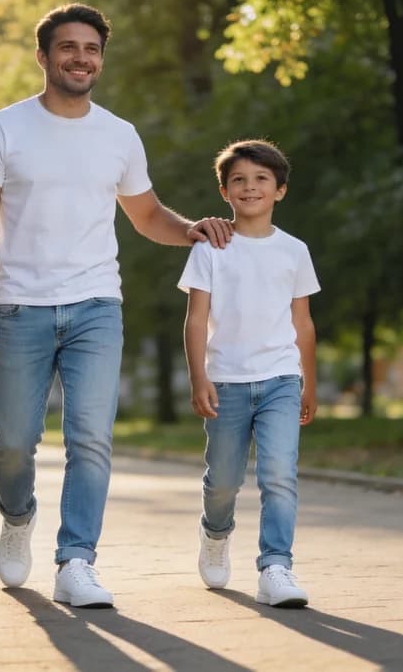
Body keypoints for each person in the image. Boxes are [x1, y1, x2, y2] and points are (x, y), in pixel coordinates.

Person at [0, 3, 232, 609]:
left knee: (90, 440)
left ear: (101, 60)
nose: (81, 58)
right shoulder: (3, 128)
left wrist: (190, 229)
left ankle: (76, 561)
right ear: (43, 56)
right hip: (20, 306)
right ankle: (17, 514)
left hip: (96, 307)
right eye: (68, 47)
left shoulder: (119, 135)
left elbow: (146, 214)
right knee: (12, 441)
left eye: (91, 49)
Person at [178, 139, 319, 608]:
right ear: (224, 191)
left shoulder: (294, 250)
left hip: (281, 379)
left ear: (280, 190)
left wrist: (309, 384)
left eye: (261, 179)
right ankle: (215, 533)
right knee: (223, 480)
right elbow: (196, 319)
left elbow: (303, 323)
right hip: (226, 383)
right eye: (238, 180)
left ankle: (276, 566)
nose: (250, 187)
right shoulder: (211, 249)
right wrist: (198, 378)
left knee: (279, 475)